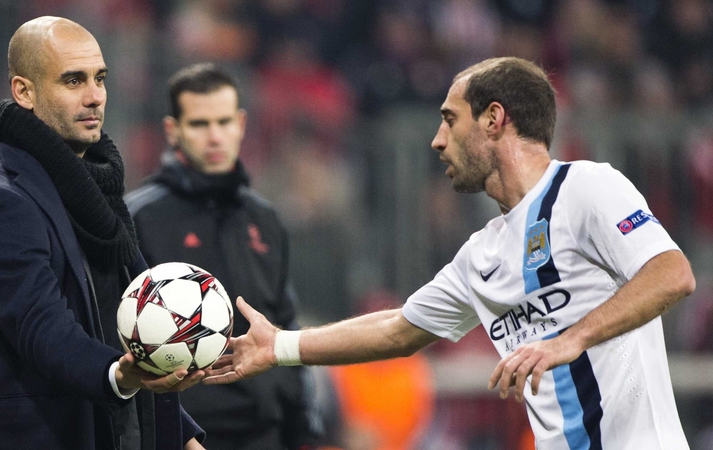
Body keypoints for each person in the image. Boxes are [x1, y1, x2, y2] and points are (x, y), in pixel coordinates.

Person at [205, 57, 698, 449]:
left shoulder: (588, 187)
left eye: (449, 120)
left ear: (494, 119)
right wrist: (281, 347)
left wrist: (570, 339)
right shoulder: (481, 253)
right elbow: (398, 330)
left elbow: (672, 273)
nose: (437, 141)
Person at [0, 16, 205, 450]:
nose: (94, 97)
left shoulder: (100, 201)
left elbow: (126, 326)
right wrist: (118, 374)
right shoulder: (0, 204)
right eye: (73, 81)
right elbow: (43, 329)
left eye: (99, 78)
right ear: (23, 92)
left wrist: (183, 438)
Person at [125, 63, 320, 450]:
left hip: (268, 431)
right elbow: (123, 339)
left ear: (241, 123)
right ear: (172, 130)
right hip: (187, 435)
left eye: (224, 121)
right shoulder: (137, 218)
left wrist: (304, 430)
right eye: (199, 124)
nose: (214, 136)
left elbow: (284, 320)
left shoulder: (265, 218)